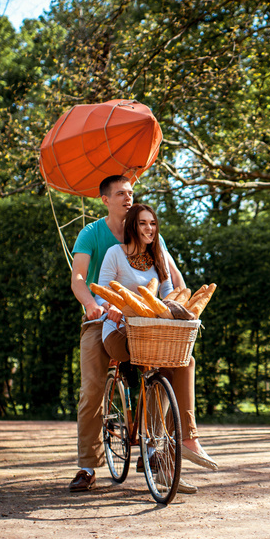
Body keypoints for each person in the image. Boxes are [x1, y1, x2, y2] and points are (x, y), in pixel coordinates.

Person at [68, 175, 187, 493]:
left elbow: (172, 278)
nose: (128, 197)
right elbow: (79, 277)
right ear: (105, 199)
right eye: (120, 193)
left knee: (167, 367)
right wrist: (93, 304)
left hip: (146, 322)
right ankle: (87, 466)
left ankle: (155, 447)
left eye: (131, 192)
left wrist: (179, 303)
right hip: (102, 319)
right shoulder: (92, 233)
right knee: (92, 388)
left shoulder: (149, 236)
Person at [97, 203, 218, 474]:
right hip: (118, 332)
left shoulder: (158, 256)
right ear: (132, 226)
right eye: (142, 223)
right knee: (159, 365)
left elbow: (167, 295)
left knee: (184, 362)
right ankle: (156, 446)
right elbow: (101, 291)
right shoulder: (114, 253)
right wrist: (112, 307)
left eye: (152, 223)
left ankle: (184, 440)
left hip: (152, 332)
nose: (149, 228)